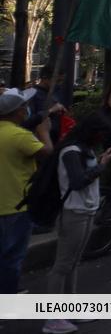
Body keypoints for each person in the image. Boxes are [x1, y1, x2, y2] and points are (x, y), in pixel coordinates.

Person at [43, 114, 111, 334]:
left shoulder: (83, 149)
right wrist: (102, 165)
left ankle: (70, 309)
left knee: (73, 263)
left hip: (85, 210)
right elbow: (77, 181)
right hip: (73, 212)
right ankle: (52, 318)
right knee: (63, 265)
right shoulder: (71, 152)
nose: (102, 138)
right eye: (101, 134)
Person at [0, 88, 54, 293]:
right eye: (25, 107)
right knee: (12, 257)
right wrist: (44, 132)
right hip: (16, 205)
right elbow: (47, 152)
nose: (27, 110)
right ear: (18, 111)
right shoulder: (20, 135)